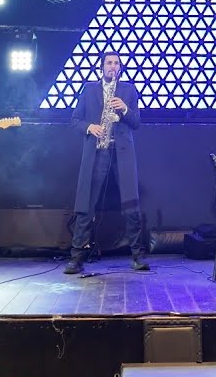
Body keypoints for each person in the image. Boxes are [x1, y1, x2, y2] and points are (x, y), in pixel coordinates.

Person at [64, 52, 146, 273]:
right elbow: (75, 120)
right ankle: (76, 257)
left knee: (131, 204)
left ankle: (137, 256)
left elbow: (137, 122)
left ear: (120, 67)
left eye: (116, 63)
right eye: (109, 63)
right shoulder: (89, 89)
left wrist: (125, 109)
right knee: (86, 204)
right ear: (102, 66)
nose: (112, 66)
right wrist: (89, 127)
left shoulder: (128, 90)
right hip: (98, 152)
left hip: (121, 153)